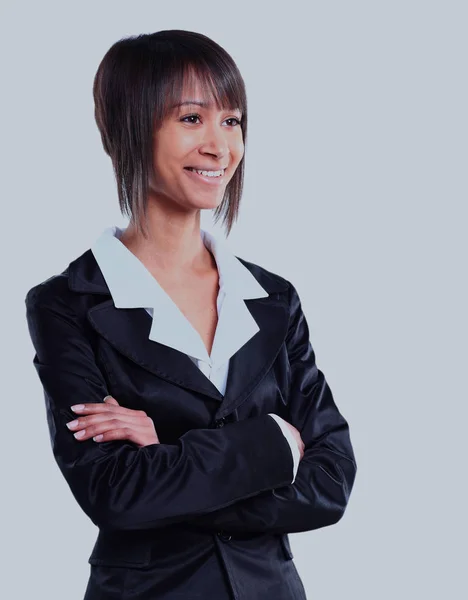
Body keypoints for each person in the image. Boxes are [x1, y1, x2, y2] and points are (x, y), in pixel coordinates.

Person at [25, 29, 357, 600]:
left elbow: (331, 482)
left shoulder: (273, 298)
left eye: (232, 121)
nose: (219, 146)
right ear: (127, 128)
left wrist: (167, 454)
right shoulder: (67, 303)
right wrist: (275, 443)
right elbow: (113, 491)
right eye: (191, 119)